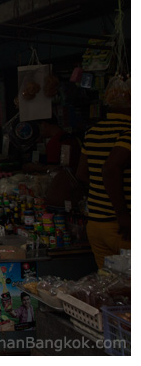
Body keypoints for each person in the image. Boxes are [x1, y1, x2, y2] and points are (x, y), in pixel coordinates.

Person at [76, 101, 131, 268]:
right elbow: (110, 169)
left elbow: (81, 173)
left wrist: (102, 190)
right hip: (122, 227)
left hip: (96, 225)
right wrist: (122, 213)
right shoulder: (130, 131)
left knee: (111, 288)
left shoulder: (93, 132)